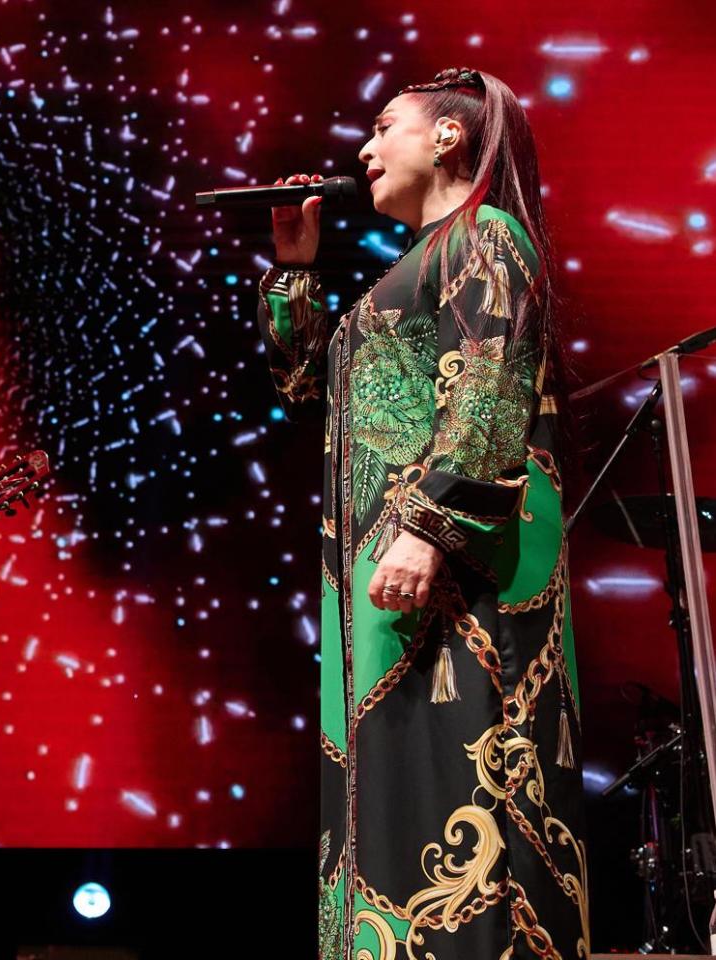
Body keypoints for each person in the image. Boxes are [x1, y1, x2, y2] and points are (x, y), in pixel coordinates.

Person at [257, 68, 587, 957]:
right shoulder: (405, 270)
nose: (364, 148)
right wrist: (295, 271)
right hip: (390, 575)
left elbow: (485, 394)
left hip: (453, 570)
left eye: (383, 126)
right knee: (389, 794)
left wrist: (429, 530)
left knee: (460, 781)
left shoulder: (486, 235)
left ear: (447, 136)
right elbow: (306, 386)